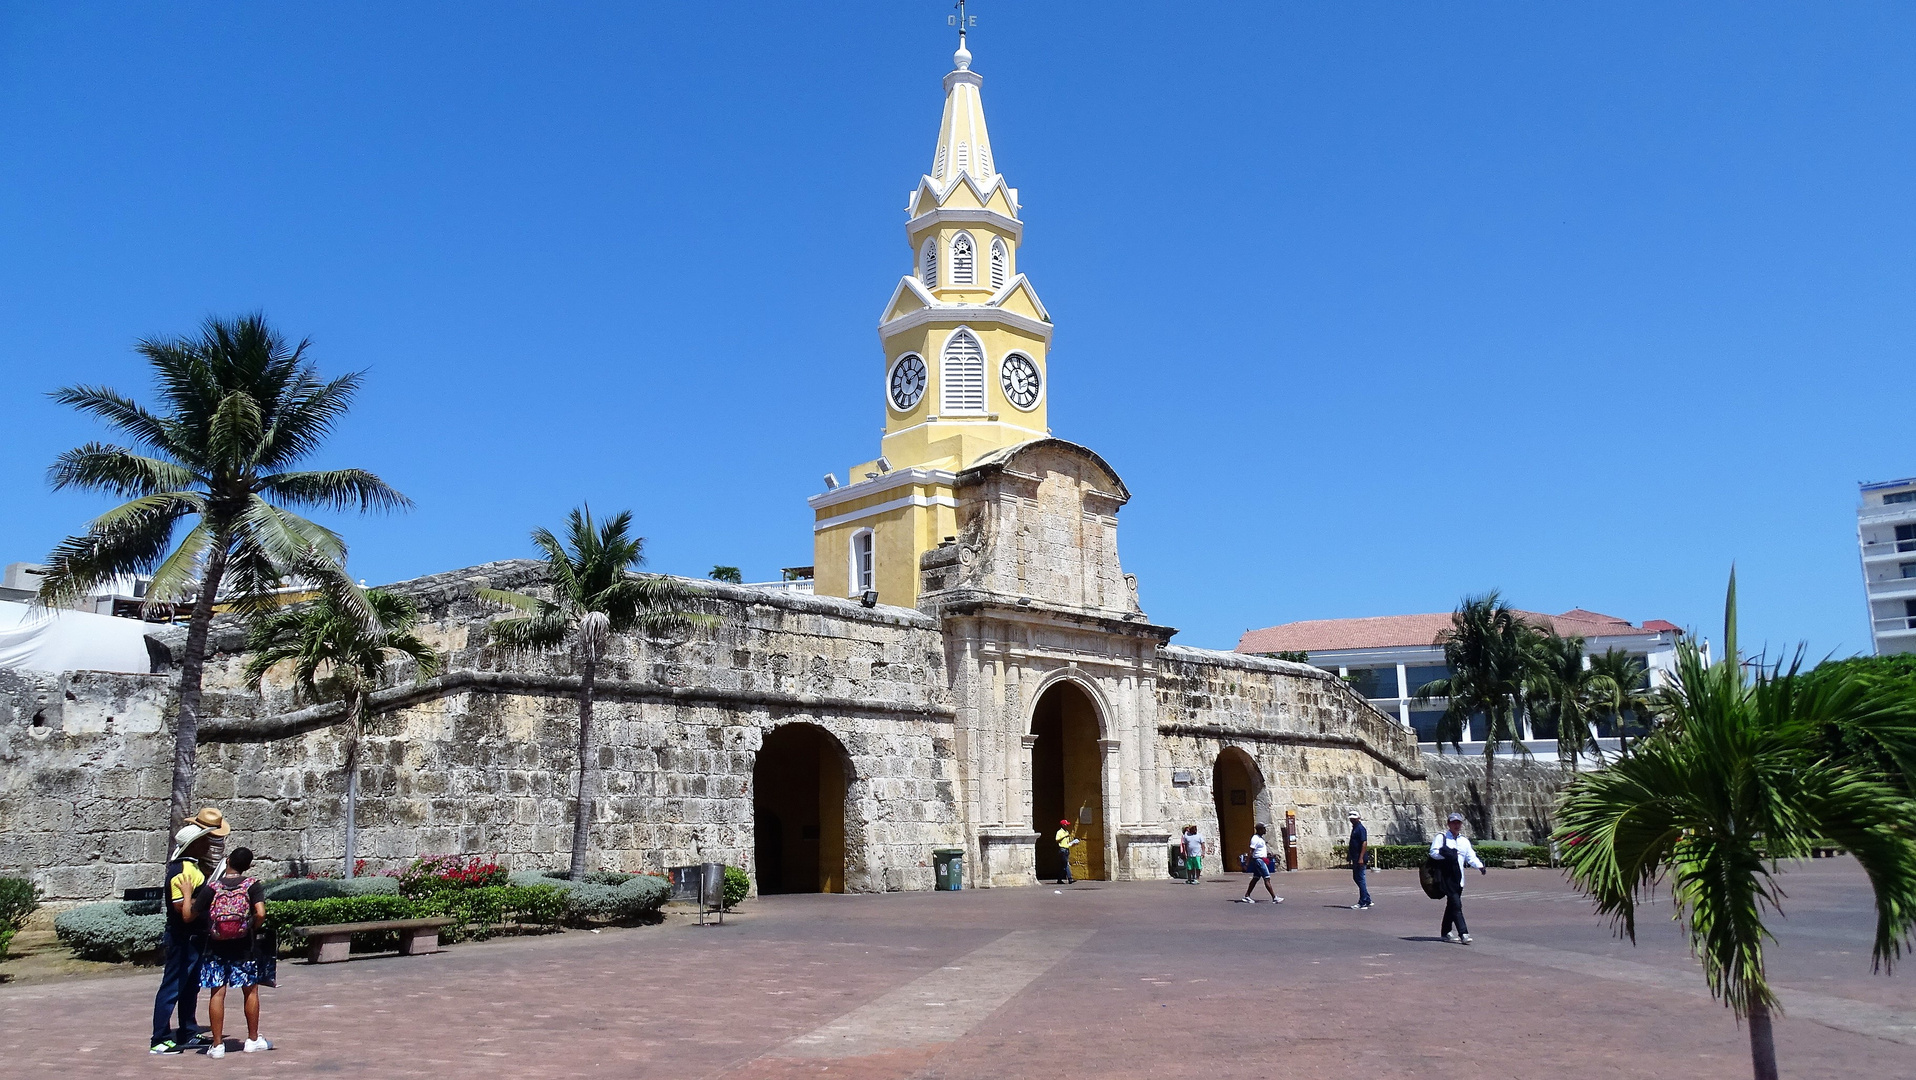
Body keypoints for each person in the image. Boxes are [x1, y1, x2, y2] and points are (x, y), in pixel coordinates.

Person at [151, 807, 228, 1055]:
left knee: (190, 986)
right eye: (203, 840)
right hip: (183, 937)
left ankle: (188, 1029)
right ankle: (160, 1037)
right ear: (192, 845)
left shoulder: (194, 869)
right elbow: (182, 912)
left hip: (195, 937)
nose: (208, 845)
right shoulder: (183, 872)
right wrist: (197, 899)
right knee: (172, 986)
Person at [192, 846, 271, 1056]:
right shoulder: (251, 885)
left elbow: (194, 913)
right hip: (244, 946)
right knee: (250, 990)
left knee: (217, 993)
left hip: (216, 946)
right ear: (247, 867)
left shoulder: (213, 887)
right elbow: (261, 913)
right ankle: (252, 1040)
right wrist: (250, 927)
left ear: (227, 861)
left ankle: (217, 1045)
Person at [1430, 811, 1487, 944]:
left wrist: (1479, 866)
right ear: (1448, 824)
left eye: (1458, 823)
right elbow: (1433, 852)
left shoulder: (1464, 841)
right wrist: (1447, 855)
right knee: (1456, 905)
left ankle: (1445, 932)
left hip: (1458, 878)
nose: (1456, 825)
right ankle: (1464, 933)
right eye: (1453, 822)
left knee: (1452, 905)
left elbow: (1470, 856)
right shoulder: (1441, 837)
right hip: (1446, 877)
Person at [1235, 823, 1283, 904]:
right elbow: (1251, 851)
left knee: (1255, 878)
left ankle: (1247, 896)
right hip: (1259, 861)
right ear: (1260, 830)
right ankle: (1274, 897)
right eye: (1264, 829)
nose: (1265, 830)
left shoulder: (1261, 838)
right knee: (1267, 878)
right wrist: (1247, 863)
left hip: (1261, 860)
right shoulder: (1255, 838)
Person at [1347, 811, 1373, 910]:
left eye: (1353, 819)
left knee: (1360, 879)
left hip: (1360, 858)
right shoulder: (1355, 828)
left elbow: (1364, 843)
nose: (1351, 820)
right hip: (1355, 857)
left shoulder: (1361, 829)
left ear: (1358, 818)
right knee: (1357, 878)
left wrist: (1361, 857)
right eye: (1350, 819)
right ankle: (1367, 899)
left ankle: (1363, 902)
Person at [1054, 818, 1080, 885]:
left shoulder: (1067, 832)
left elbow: (1067, 842)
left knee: (1063, 865)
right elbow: (1057, 840)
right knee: (1066, 864)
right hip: (1062, 850)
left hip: (1067, 849)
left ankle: (1059, 879)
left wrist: (1073, 843)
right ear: (1063, 825)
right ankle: (1070, 879)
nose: (1067, 825)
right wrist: (1064, 836)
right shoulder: (1059, 832)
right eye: (1066, 824)